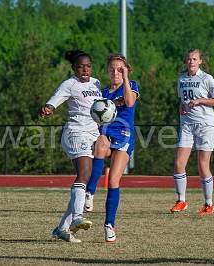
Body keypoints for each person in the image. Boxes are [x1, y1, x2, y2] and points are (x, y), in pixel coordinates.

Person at [40, 50, 102, 243]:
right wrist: (49, 108)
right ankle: (77, 217)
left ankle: (62, 229)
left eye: (88, 66)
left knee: (86, 178)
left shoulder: (97, 83)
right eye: (81, 66)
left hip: (93, 134)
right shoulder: (70, 84)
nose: (85, 69)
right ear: (74, 68)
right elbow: (55, 100)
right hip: (75, 132)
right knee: (84, 173)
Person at [84, 53, 139, 242]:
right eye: (112, 69)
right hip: (106, 133)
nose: (115, 72)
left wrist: (125, 78)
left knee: (114, 181)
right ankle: (89, 192)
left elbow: (130, 102)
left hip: (124, 136)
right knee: (100, 143)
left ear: (126, 70)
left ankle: (109, 224)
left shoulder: (131, 86)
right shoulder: (104, 92)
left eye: (120, 69)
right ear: (107, 71)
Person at [169, 49, 214, 216]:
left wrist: (201, 101)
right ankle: (181, 201)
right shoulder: (181, 79)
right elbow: (182, 100)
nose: (191, 61)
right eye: (189, 59)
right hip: (187, 126)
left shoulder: (207, 78)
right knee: (179, 164)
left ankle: (208, 203)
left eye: (194, 59)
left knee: (202, 165)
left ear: (200, 61)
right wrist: (181, 107)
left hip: (205, 125)